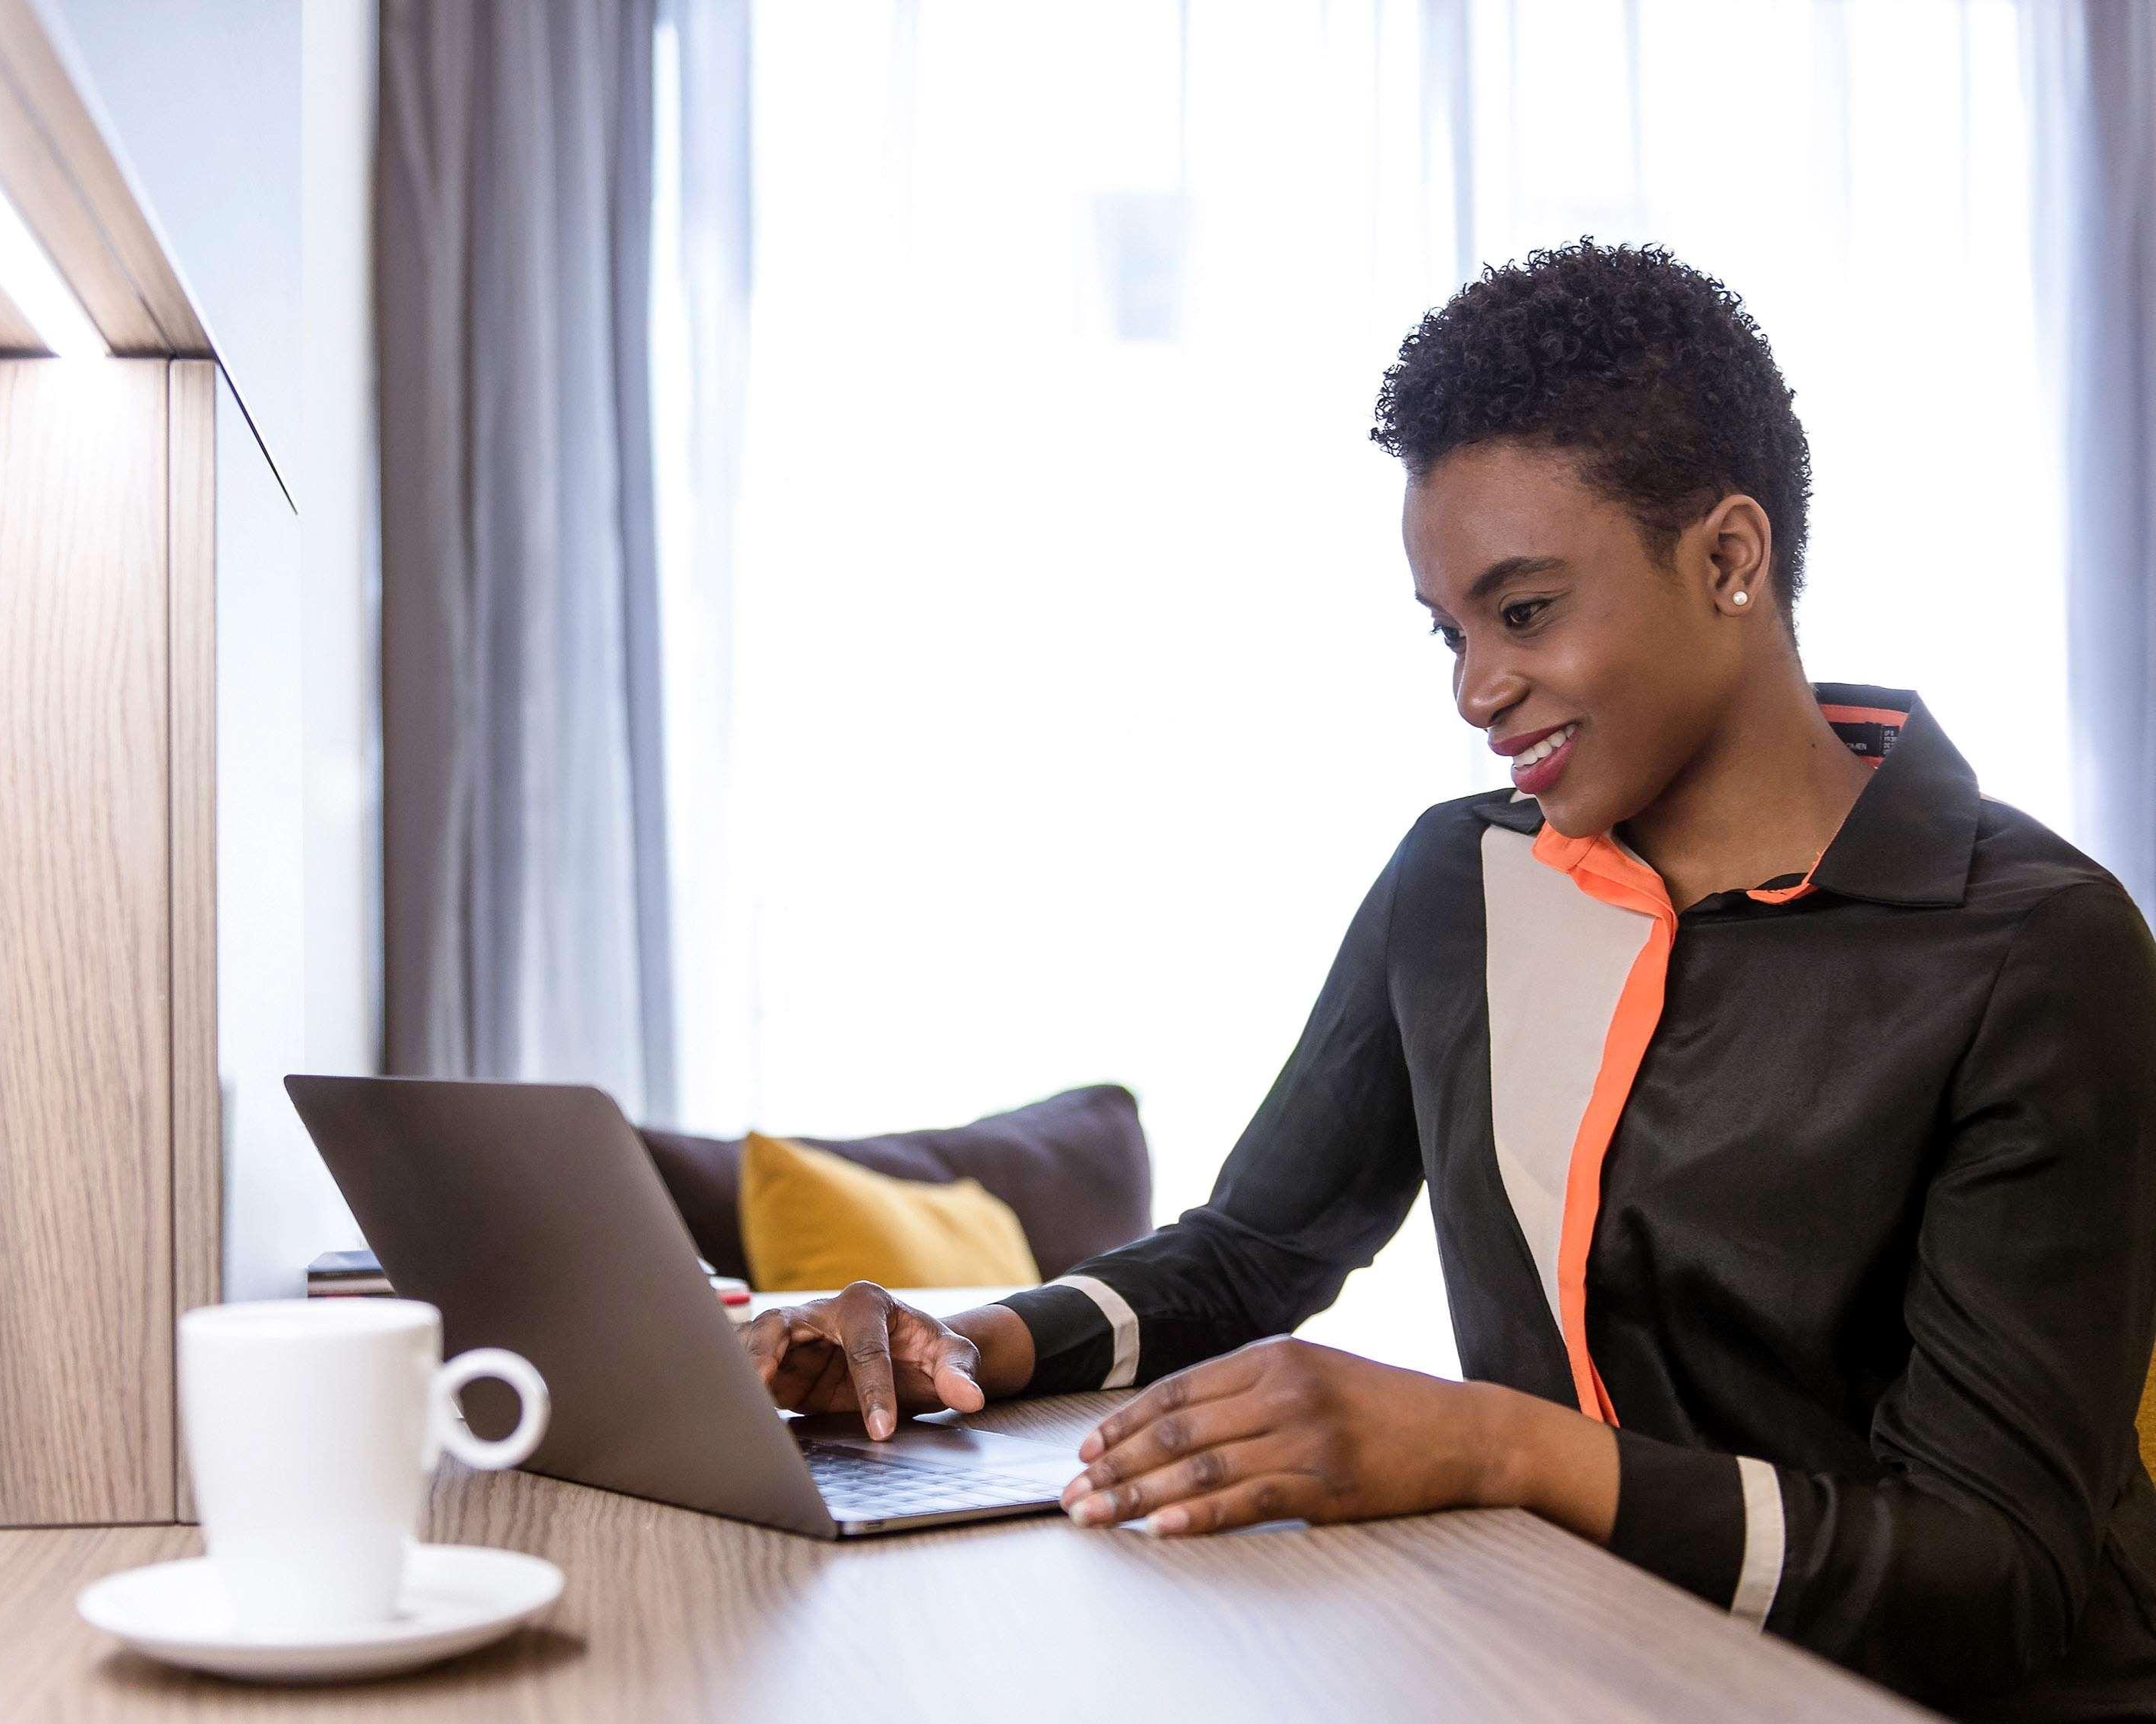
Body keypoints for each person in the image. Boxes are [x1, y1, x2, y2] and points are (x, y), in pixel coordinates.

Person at [736, 239, 2156, 1720]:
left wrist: (1496, 1448)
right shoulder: (1458, 882)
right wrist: (961, 1347)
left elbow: (1994, 1579)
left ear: (1730, 559)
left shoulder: (2035, 950)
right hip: (1577, 1667)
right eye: (1450, 629)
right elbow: (1253, 1250)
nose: (1475, 690)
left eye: (1525, 611)